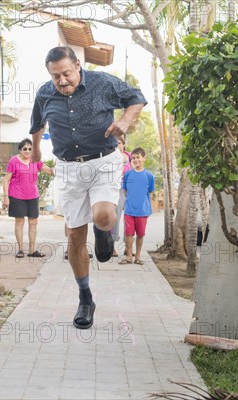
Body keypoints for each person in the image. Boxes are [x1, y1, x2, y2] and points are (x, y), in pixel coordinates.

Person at [30, 46, 146, 329]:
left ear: (78, 65)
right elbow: (36, 125)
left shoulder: (103, 83)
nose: (62, 81)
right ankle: (85, 297)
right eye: (56, 76)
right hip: (68, 167)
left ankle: (103, 231)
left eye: (66, 73)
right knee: (74, 235)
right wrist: (35, 152)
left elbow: (136, 98)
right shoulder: (45, 93)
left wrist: (125, 120)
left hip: (104, 160)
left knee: (104, 215)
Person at [3, 138, 54, 258]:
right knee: (19, 222)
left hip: (32, 196)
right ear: (20, 150)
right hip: (16, 195)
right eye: (25, 149)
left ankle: (32, 250)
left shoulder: (35, 160)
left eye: (30, 149)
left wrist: (63, 167)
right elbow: (6, 180)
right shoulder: (13, 161)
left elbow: (49, 170)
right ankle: (20, 249)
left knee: (33, 223)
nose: (28, 151)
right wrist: (6, 197)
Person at [118, 147, 155, 265]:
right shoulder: (127, 175)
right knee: (128, 233)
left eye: (138, 157)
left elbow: (150, 191)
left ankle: (138, 257)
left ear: (143, 158)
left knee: (140, 234)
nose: (135, 160)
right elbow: (125, 191)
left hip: (143, 211)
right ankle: (129, 256)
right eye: (133, 158)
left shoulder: (149, 176)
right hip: (129, 210)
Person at [111, 136, 131, 257]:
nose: (117, 145)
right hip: (117, 190)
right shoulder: (111, 158)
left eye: (119, 143)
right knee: (115, 218)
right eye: (115, 144)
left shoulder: (130, 157)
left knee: (129, 219)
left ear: (123, 144)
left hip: (130, 191)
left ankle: (128, 247)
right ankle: (112, 246)